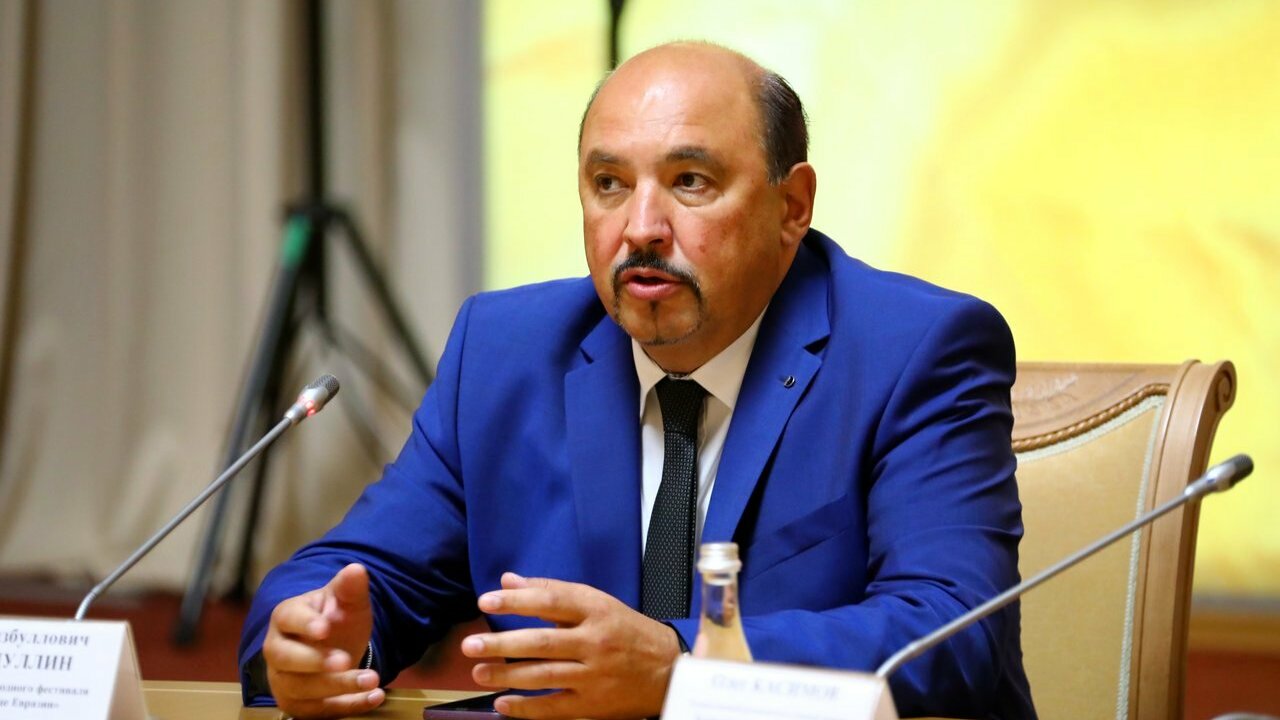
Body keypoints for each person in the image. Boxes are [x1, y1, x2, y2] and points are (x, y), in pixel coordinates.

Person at [239, 42, 1036, 719]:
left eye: (690, 181)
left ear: (792, 205)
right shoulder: (506, 352)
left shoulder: (914, 351)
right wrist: (317, 642)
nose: (641, 229)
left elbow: (954, 633)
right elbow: (358, 575)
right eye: (609, 185)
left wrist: (680, 668)